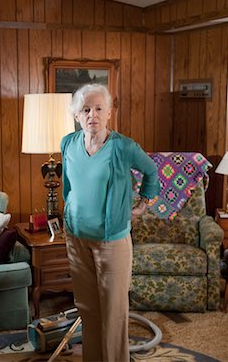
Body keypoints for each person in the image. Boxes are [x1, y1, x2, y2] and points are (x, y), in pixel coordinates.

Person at [60, 83, 160, 362]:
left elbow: (152, 172)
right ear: (77, 115)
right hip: (76, 238)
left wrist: (143, 204)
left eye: (98, 108)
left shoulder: (123, 147)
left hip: (112, 242)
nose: (92, 114)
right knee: (88, 309)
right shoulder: (68, 143)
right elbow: (68, 186)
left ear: (109, 114)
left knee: (114, 313)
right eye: (86, 109)